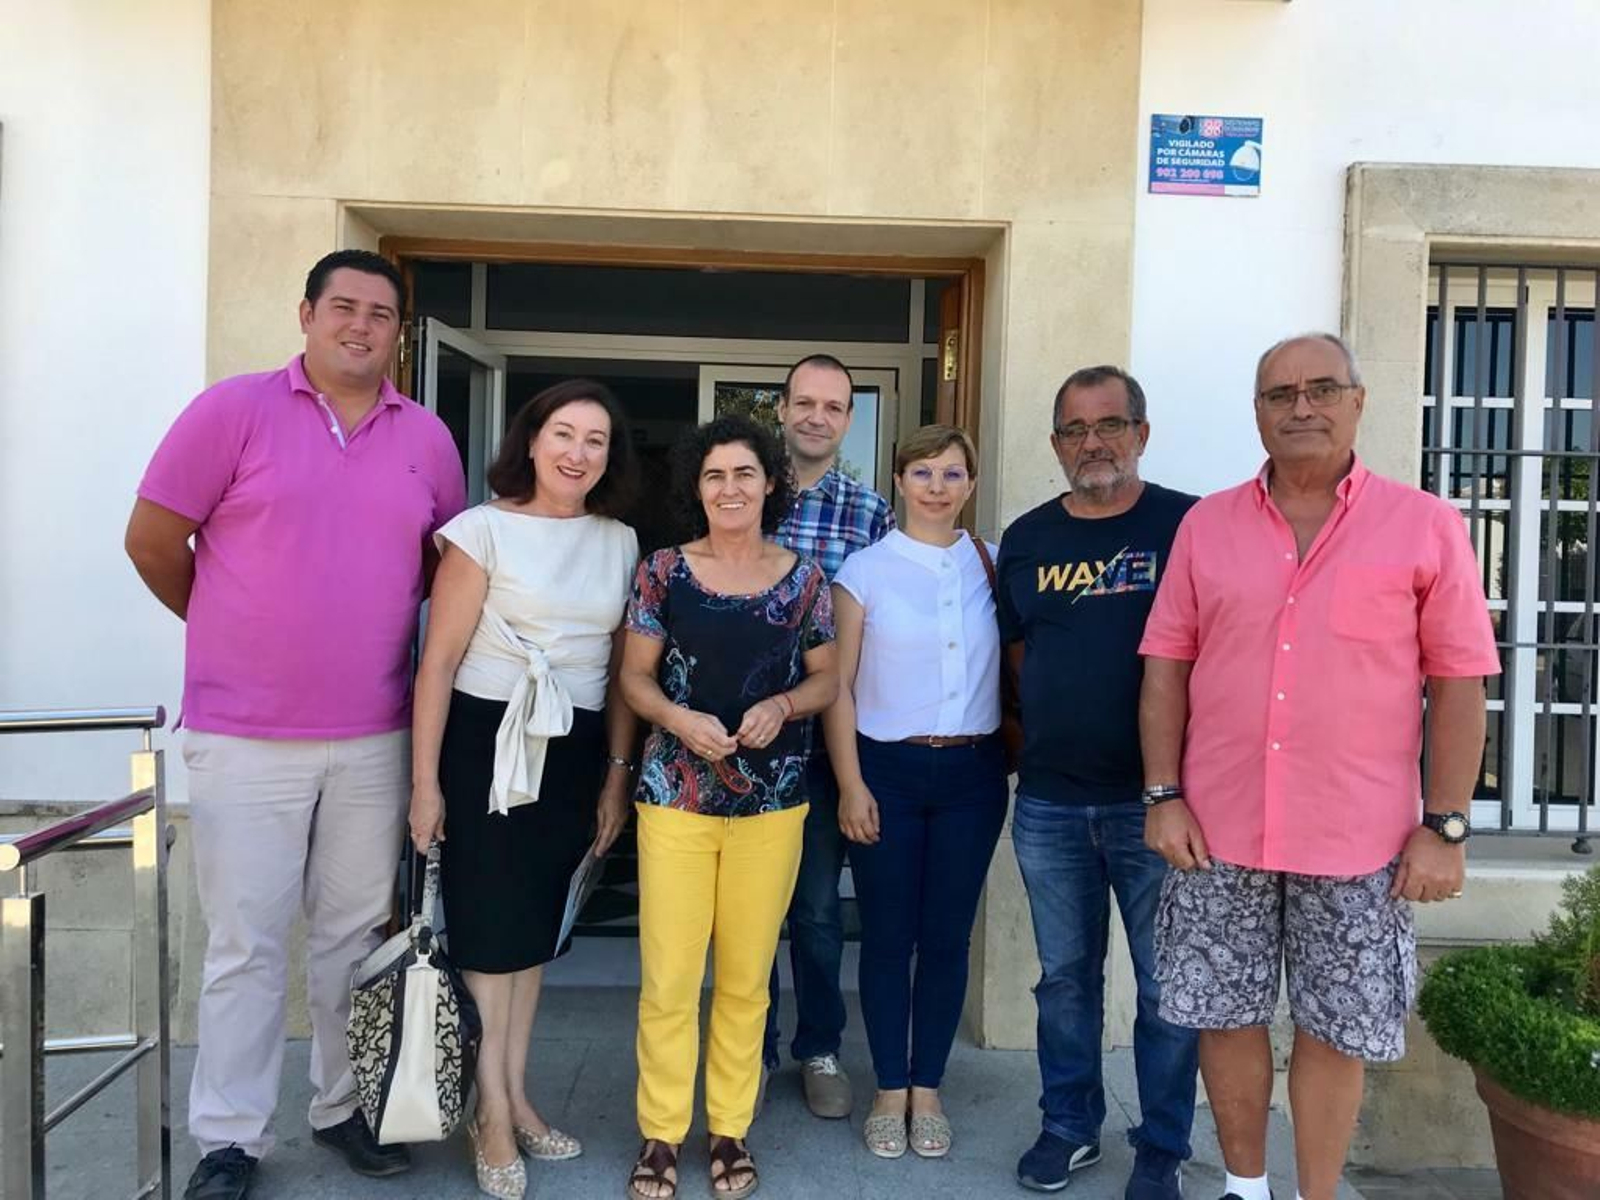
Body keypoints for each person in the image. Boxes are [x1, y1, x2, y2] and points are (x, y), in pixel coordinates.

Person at [124, 250, 468, 1200]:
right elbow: (152, 541)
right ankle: (230, 1138)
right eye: (344, 307)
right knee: (247, 940)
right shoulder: (232, 411)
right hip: (244, 734)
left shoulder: (428, 439)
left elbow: (447, 575)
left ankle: (341, 1108)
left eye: (382, 313)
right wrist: (231, 625)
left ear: (400, 331)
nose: (362, 326)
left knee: (356, 937)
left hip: (373, 733)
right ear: (307, 313)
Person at [1138, 333, 1499, 1200]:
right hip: (1217, 829)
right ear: (1257, 413)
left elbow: (1458, 685)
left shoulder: (1424, 525)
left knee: (1336, 1030)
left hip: (1362, 834)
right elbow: (1166, 670)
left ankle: (1317, 1194)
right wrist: (1162, 795)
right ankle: (1246, 1188)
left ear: (1357, 401)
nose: (1301, 406)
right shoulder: (1207, 525)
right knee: (1223, 1016)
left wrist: (1444, 826)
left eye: (1321, 388)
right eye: (1279, 394)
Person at [408, 379, 641, 1200]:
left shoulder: (620, 540)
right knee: (486, 931)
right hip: (487, 743)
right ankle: (491, 1112)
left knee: (535, 933)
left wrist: (617, 775)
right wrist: (425, 784)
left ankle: (514, 1092)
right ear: (532, 441)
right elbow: (436, 663)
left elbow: (618, 674)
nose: (578, 452)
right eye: (564, 434)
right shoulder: (479, 531)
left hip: (573, 749)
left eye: (597, 440)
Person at [618, 415, 839, 1200]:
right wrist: (677, 720)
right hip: (674, 795)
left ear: (770, 482)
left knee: (746, 977)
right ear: (696, 487)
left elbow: (827, 681)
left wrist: (783, 706)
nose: (730, 488)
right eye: (714, 476)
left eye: (744, 473)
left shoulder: (804, 576)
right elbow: (635, 679)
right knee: (671, 976)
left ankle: (729, 1127)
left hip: (774, 802)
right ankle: (659, 1134)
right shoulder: (663, 572)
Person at [997, 366, 1200, 1200]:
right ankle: (1069, 1125)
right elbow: (1015, 660)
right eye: (1075, 430)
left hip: (1158, 805)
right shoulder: (1028, 538)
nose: (1093, 443)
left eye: (1110, 425)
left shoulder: (1189, 525)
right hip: (1049, 803)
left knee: (1166, 985)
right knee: (1064, 979)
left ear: (1142, 433)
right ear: (1055, 445)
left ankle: (1162, 1144)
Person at [828, 424, 1008, 1161]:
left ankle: (928, 1086)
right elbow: (836, 686)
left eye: (953, 474)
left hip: (973, 774)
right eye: (924, 472)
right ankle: (888, 1088)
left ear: (970, 484)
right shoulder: (862, 571)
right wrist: (850, 784)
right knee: (887, 935)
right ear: (898, 481)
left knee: (945, 938)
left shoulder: (994, 563)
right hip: (886, 772)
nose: (938, 486)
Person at [765, 353, 895, 1119]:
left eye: (834, 406)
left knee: (815, 910)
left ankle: (818, 1047)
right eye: (804, 402)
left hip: (819, 747)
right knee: (738, 911)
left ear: (849, 419)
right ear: (781, 409)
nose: (817, 416)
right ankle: (746, 1048)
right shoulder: (741, 488)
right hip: (735, 746)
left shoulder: (872, 511)